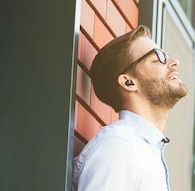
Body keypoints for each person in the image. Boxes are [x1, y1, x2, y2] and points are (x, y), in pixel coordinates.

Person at [72, 25, 188, 190]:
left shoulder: (142, 151)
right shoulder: (118, 146)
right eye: (158, 58)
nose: (174, 62)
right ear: (129, 82)